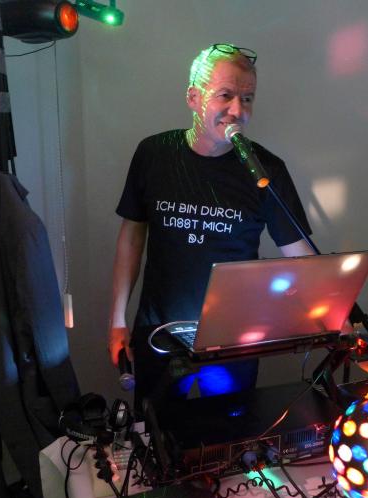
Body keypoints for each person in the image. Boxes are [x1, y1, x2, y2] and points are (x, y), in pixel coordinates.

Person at [108, 43, 314, 414]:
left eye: (247, 99)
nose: (238, 110)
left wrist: (344, 323)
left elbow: (302, 257)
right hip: (160, 332)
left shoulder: (265, 170)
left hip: (233, 338)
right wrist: (117, 320)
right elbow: (132, 238)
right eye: (225, 95)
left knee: (227, 432)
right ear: (193, 98)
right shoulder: (154, 153)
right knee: (156, 429)